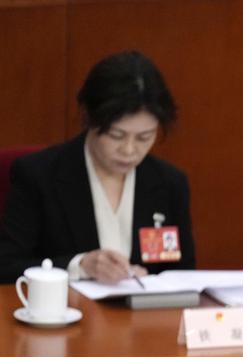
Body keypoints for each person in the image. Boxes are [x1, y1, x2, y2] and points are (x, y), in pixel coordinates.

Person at [0, 51, 195, 283]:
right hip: (69, 314)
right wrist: (79, 265)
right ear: (90, 119)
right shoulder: (38, 176)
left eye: (144, 138)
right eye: (116, 135)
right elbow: (6, 265)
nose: (129, 150)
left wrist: (154, 280)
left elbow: (184, 274)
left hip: (145, 317)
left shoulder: (170, 183)